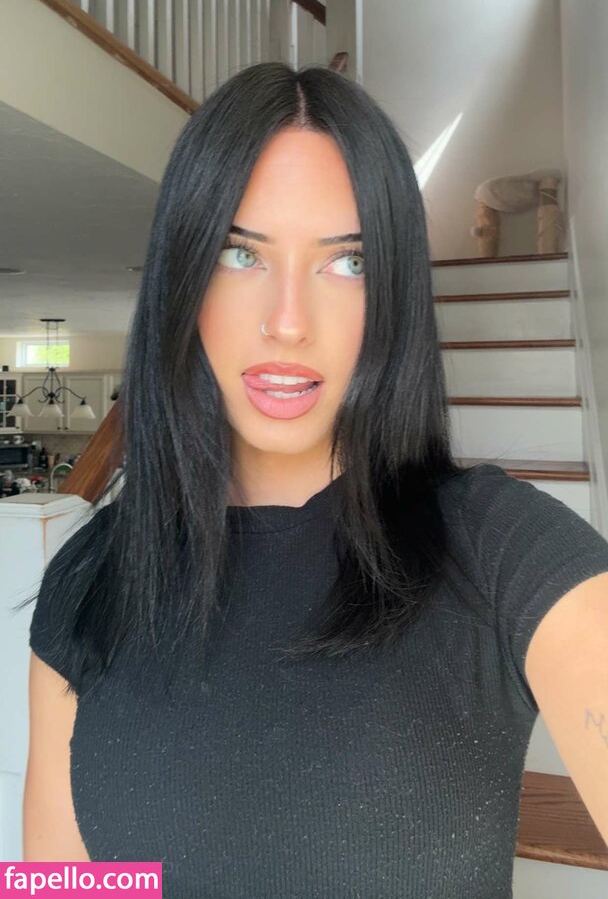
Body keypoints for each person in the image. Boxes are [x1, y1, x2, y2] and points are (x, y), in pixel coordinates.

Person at [20, 62, 608, 897]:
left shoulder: (505, 549)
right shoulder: (89, 580)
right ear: (183, 276)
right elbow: (58, 884)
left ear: (395, 292)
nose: (288, 322)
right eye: (240, 253)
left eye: (348, 263)